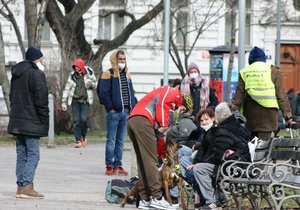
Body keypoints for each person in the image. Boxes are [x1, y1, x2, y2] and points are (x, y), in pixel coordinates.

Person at [127, 85, 182, 210]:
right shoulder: (173, 92)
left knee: (143, 162)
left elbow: (158, 137)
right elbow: (163, 103)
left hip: (133, 120)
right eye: (181, 108)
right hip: (143, 120)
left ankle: (145, 198)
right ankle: (157, 198)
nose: (179, 110)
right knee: (151, 162)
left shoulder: (162, 95)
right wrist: (164, 124)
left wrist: (162, 154)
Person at [8, 47, 49, 199]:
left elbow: (12, 96)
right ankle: (26, 186)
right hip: (32, 121)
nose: (42, 61)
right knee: (33, 154)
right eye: (41, 59)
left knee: (21, 153)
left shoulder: (16, 74)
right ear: (35, 59)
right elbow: (42, 100)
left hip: (17, 120)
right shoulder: (36, 74)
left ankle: (20, 187)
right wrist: (44, 119)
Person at [193, 102, 251, 209]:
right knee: (203, 167)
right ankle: (215, 198)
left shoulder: (224, 130)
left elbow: (217, 154)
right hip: (242, 163)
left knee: (199, 169)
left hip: (235, 166)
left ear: (218, 116)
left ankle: (212, 201)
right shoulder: (236, 126)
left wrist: (202, 163)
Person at [232, 46, 292, 140]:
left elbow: (238, 96)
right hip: (269, 117)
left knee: (250, 146)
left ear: (250, 60)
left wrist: (231, 113)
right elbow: (281, 95)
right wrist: (287, 115)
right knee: (264, 148)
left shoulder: (244, 72)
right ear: (263, 59)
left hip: (250, 116)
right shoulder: (273, 71)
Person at [98, 49, 136, 176]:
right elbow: (103, 93)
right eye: (120, 59)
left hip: (126, 112)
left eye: (124, 59)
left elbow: (131, 93)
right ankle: (109, 165)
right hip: (114, 113)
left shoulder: (127, 74)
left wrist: (133, 108)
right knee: (111, 140)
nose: (122, 62)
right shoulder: (108, 74)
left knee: (121, 140)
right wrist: (110, 108)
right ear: (115, 59)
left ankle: (118, 165)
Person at [61, 59, 97, 148]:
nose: (76, 68)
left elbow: (95, 84)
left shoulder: (89, 73)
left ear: (81, 66)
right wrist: (63, 101)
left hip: (85, 101)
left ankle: (84, 137)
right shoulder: (72, 76)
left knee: (83, 120)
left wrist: (91, 84)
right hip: (75, 101)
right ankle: (78, 140)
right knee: (76, 120)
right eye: (75, 67)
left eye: (77, 67)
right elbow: (67, 88)